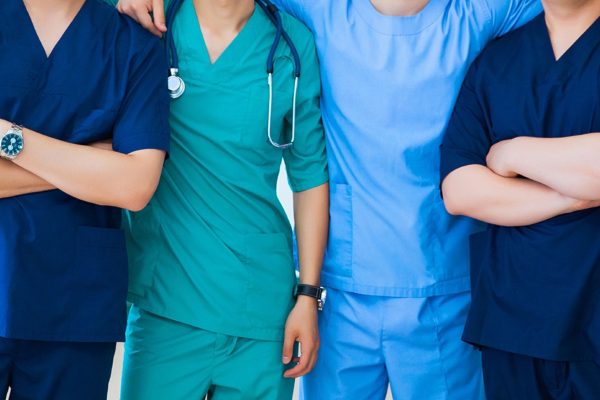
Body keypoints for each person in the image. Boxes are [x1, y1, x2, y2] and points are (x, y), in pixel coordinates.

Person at [116, 0, 545, 398]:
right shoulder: (319, 9)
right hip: (334, 298)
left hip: (435, 292)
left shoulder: (476, 14)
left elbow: (571, 11)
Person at [107, 0, 330, 399]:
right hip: (166, 306)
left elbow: (309, 176)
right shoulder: (153, 20)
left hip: (263, 311)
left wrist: (308, 294)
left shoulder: (292, 47)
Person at [0, 0, 170, 399]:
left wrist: (10, 138)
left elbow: (134, 186)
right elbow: (120, 174)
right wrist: (90, 162)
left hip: (74, 307)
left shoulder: (132, 43)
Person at [440, 0, 600, 398]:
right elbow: (459, 190)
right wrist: (575, 195)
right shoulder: (497, 61)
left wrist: (513, 152)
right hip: (514, 323)